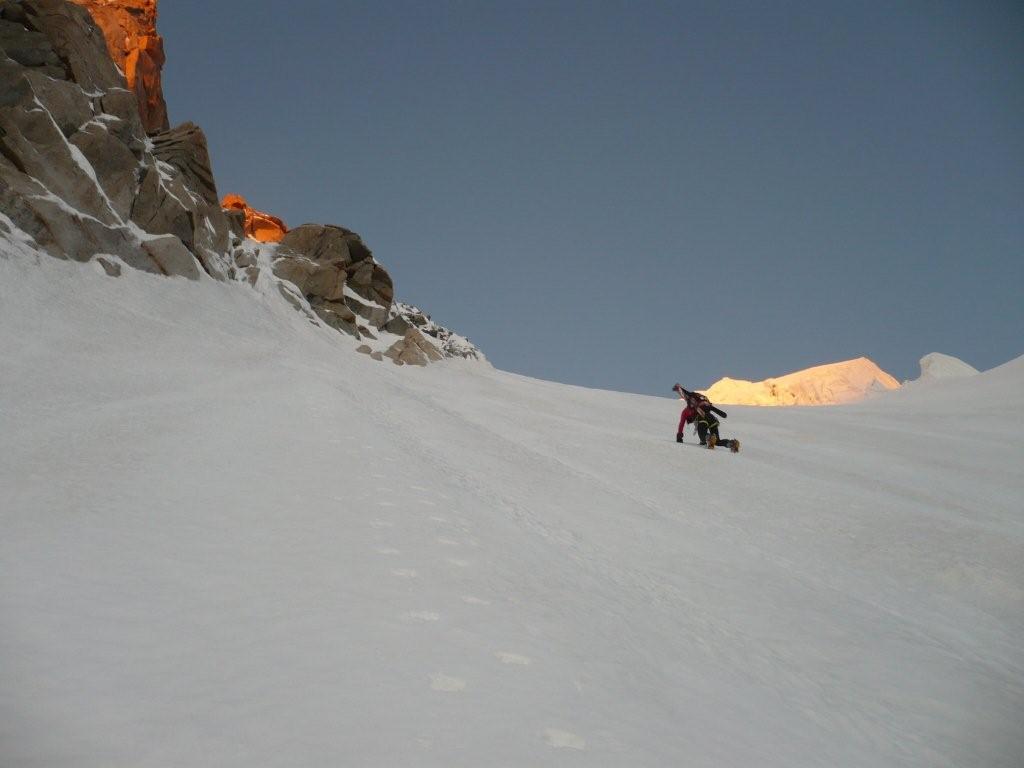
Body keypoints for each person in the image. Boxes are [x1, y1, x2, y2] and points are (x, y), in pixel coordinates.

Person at [672, 384, 741, 452]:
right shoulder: (702, 405)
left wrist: (679, 437)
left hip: (702, 419)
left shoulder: (685, 412)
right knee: (717, 441)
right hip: (712, 419)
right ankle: (732, 444)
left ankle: (709, 438)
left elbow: (681, 424)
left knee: (702, 436)